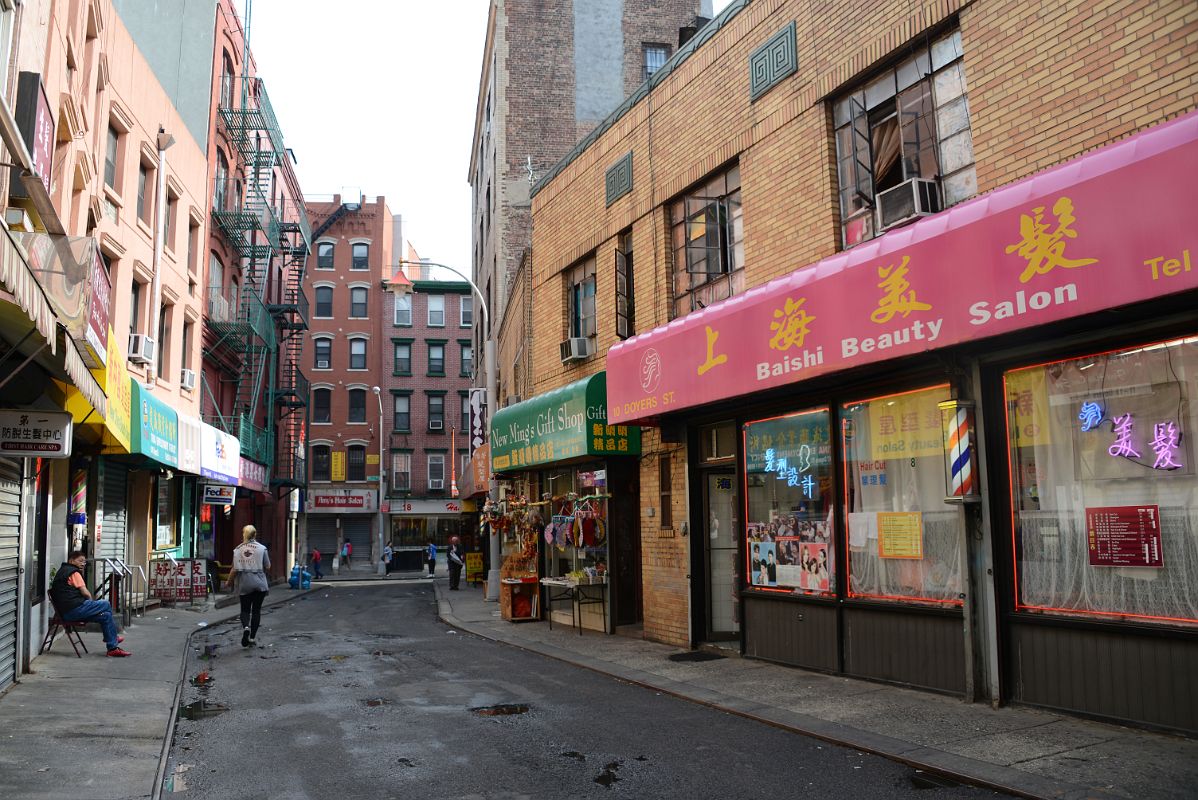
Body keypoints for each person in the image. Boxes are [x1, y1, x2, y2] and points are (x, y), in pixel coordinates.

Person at [49, 551, 130, 657]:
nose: (83, 563)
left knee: (106, 616)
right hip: (73, 610)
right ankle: (112, 638)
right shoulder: (74, 573)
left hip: (66, 611)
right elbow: (85, 593)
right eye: (80, 561)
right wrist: (91, 604)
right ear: (71, 560)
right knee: (105, 604)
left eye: (84, 562)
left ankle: (112, 648)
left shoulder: (62, 571)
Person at [228, 525, 270, 647]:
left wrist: (229, 581)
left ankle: (246, 627)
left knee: (245, 610)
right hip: (260, 583)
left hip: (245, 583)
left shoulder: (238, 549)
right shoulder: (262, 548)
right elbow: (268, 566)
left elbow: (234, 569)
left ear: (244, 535)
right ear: (255, 534)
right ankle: (252, 638)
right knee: (256, 611)